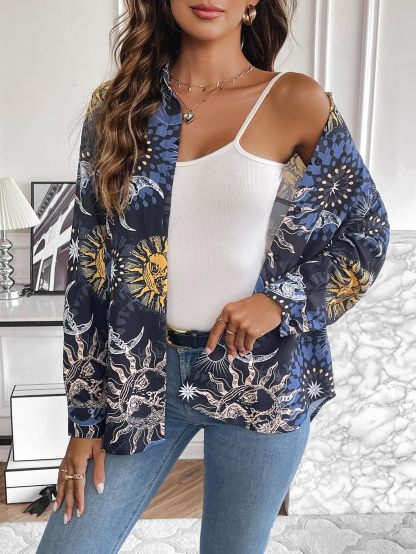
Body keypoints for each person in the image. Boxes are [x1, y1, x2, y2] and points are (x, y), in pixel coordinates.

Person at [36, 1, 390, 553]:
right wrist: (84, 423)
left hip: (259, 377)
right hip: (139, 378)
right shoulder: (117, 107)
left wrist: (281, 302)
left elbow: (367, 233)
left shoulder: (294, 100)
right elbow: (90, 273)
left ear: (253, 3)